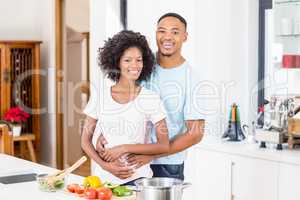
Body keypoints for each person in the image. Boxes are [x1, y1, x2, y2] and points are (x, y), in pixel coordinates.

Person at [97, 13, 205, 181]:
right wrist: (103, 135)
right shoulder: (139, 64)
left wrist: (152, 155)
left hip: (166, 165)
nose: (167, 37)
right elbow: (119, 103)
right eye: (162, 31)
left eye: (175, 32)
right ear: (156, 34)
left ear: (185, 37)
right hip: (127, 159)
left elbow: (195, 133)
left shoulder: (192, 78)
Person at [81, 30, 170, 185]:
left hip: (139, 180)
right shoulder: (100, 96)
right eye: (128, 60)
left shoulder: (150, 98)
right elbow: (85, 141)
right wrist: (105, 166)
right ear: (117, 62)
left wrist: (123, 148)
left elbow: (164, 145)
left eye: (139, 60)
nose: (135, 65)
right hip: (103, 181)